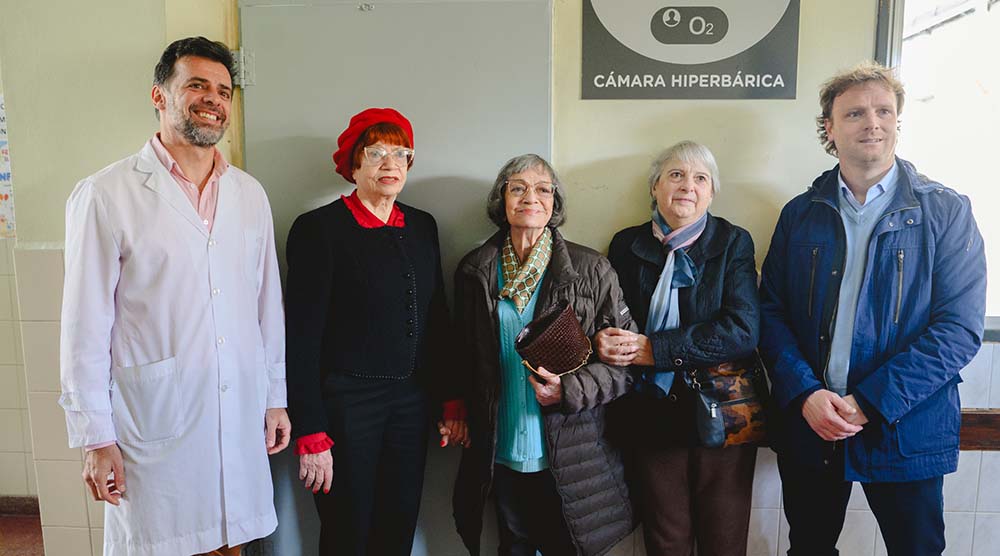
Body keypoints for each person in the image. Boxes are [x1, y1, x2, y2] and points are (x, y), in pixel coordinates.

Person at [59, 37, 290, 556]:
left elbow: (266, 308)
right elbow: (84, 328)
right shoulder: (106, 194)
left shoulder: (249, 195)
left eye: (224, 91)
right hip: (152, 423)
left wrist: (274, 397)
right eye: (197, 86)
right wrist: (95, 437)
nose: (214, 100)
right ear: (159, 95)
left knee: (230, 542)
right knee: (162, 542)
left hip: (237, 413)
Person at [758, 61, 987, 555]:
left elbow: (959, 330)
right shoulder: (800, 214)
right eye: (855, 113)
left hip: (905, 426)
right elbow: (770, 314)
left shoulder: (946, 211)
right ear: (829, 128)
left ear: (898, 122)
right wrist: (806, 393)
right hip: (814, 424)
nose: (873, 123)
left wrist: (870, 402)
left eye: (884, 111)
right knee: (809, 549)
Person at [284, 107, 465, 555]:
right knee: (347, 530)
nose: (390, 164)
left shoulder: (422, 226)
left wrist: (451, 398)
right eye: (376, 152)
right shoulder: (318, 230)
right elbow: (300, 338)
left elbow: (436, 318)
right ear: (353, 164)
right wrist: (310, 428)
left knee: (397, 528)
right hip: (346, 406)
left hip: (411, 403)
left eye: (401, 154)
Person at [451, 154, 634, 556]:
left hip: (570, 454)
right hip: (500, 449)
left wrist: (567, 390)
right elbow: (461, 356)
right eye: (517, 188)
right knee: (512, 546)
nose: (530, 197)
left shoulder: (592, 269)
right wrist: (455, 409)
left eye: (542, 189)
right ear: (501, 201)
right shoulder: (475, 271)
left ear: (555, 202)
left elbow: (624, 368)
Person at [595, 141, 760, 555]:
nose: (688, 186)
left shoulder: (733, 242)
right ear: (655, 187)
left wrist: (658, 350)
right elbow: (611, 319)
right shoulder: (626, 245)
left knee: (724, 541)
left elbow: (742, 331)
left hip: (724, 410)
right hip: (650, 409)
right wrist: (604, 340)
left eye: (700, 178)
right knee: (665, 539)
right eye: (676, 175)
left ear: (711, 193)